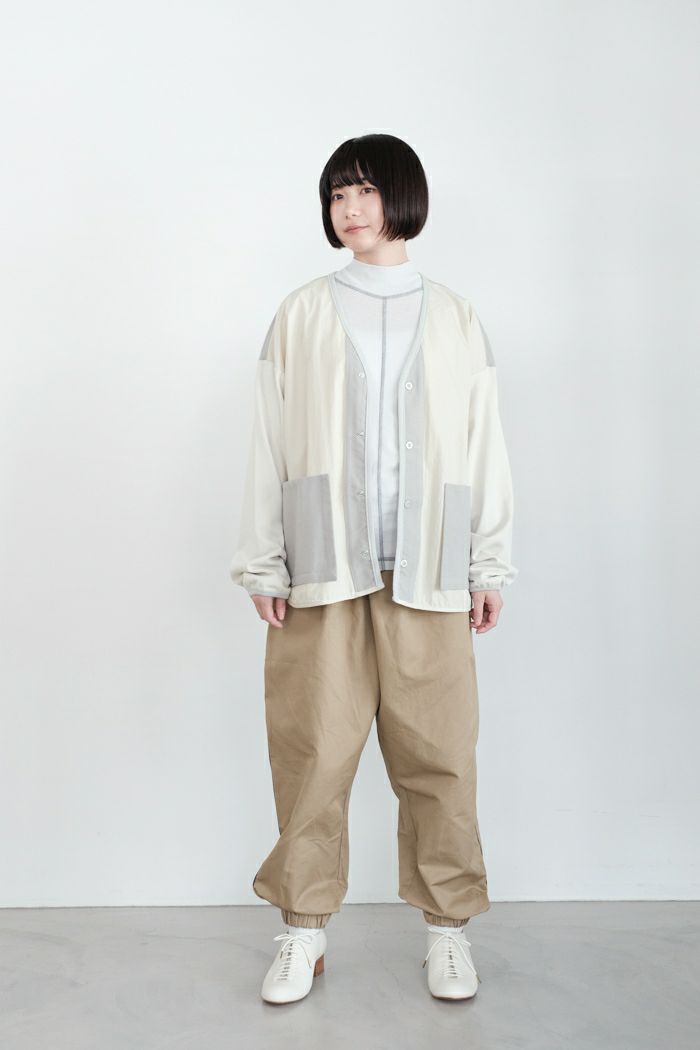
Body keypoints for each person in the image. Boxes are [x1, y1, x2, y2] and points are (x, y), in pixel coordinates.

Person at [230, 133, 518, 1004]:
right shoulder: (302, 313)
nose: (350, 208)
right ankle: (302, 932)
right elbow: (269, 439)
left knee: (439, 757)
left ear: (402, 198)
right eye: (337, 194)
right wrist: (264, 562)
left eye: (364, 190)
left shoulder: (456, 315)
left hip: (432, 566)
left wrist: (489, 562)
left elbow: (484, 443)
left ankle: (447, 931)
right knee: (313, 755)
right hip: (322, 566)